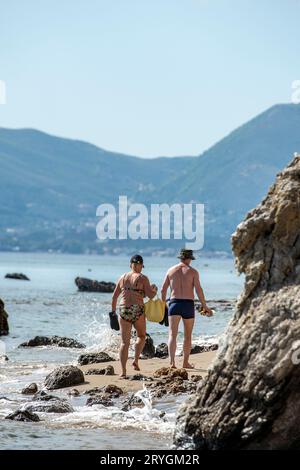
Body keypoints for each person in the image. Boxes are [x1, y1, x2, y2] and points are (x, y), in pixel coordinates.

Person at [161, 248, 213, 369]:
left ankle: (172, 363)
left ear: (180, 257)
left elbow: (163, 290)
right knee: (187, 336)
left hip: (174, 304)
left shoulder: (171, 270)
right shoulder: (193, 272)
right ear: (190, 258)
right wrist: (205, 306)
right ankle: (185, 362)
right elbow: (199, 290)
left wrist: (163, 305)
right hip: (188, 305)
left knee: (172, 335)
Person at [111, 254, 157, 378]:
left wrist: (112, 313)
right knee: (141, 336)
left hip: (123, 309)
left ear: (130, 264)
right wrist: (154, 289)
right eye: (141, 265)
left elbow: (115, 296)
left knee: (124, 343)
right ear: (141, 265)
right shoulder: (143, 278)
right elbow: (151, 295)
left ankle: (123, 372)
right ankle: (136, 360)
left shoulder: (122, 277)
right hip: (137, 309)